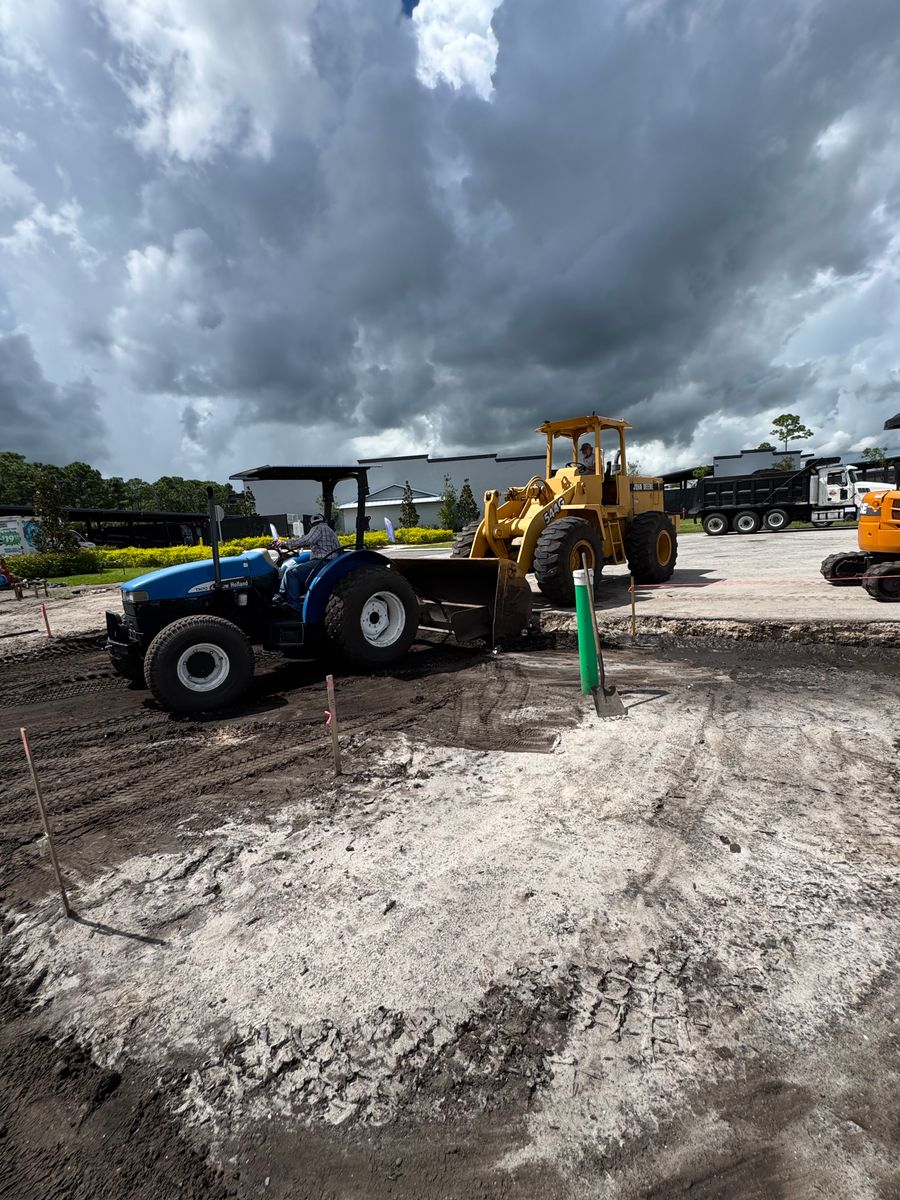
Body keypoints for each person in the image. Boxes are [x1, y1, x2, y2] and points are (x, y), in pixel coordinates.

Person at [274, 514, 342, 609]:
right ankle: (282, 594)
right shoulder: (330, 530)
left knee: (290, 572)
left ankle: (292, 604)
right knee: (292, 569)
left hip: (322, 562)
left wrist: (285, 543)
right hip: (329, 561)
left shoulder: (318, 528)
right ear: (324, 520)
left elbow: (306, 540)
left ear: (311, 524)